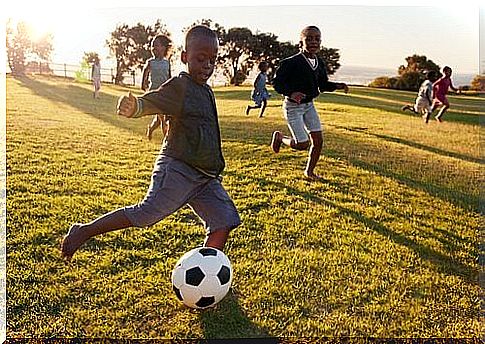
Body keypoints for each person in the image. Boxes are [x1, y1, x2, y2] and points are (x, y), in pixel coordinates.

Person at [61, 25, 241, 261]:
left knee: (224, 220)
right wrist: (136, 107)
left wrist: (215, 168)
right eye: (200, 58)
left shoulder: (206, 91)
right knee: (146, 214)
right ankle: (84, 231)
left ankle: (208, 268)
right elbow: (153, 101)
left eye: (212, 60)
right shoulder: (180, 86)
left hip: (206, 177)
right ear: (185, 57)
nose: (207, 65)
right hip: (179, 169)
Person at [270, 26, 348, 180]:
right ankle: (280, 138)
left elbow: (323, 84)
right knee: (302, 144)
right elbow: (277, 83)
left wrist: (338, 86)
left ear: (320, 42)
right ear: (301, 42)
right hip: (293, 107)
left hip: (309, 106)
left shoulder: (319, 62)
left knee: (318, 141)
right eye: (309, 39)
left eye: (317, 39)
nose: (314, 42)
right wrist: (292, 93)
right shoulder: (291, 62)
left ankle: (309, 172)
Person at [142, 34, 173, 140]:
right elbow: (145, 72)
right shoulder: (151, 62)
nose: (153, 48)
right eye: (152, 46)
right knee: (163, 119)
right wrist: (143, 83)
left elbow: (169, 77)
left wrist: (171, 88)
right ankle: (167, 142)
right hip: (154, 93)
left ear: (164, 48)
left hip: (164, 93)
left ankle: (150, 129)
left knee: (160, 119)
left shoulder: (167, 63)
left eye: (156, 45)